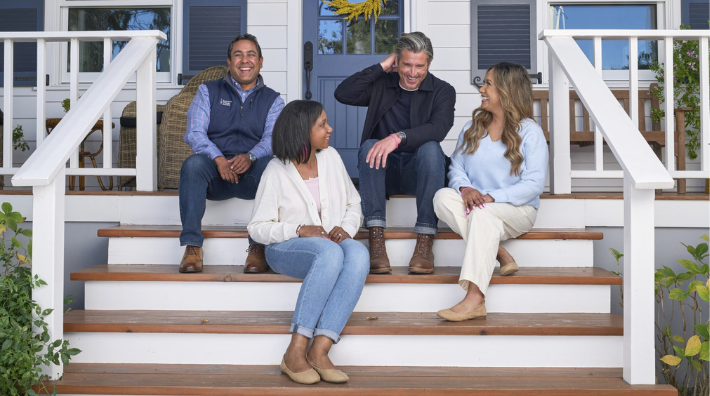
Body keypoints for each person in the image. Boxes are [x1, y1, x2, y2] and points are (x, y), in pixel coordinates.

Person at [248, 100, 368, 385]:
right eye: (322, 125)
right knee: (329, 253)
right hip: (287, 250)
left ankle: (320, 350)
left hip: (330, 244)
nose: (330, 129)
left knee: (359, 254)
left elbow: (354, 202)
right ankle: (295, 350)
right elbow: (257, 228)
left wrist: (346, 228)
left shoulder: (332, 158)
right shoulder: (276, 171)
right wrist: (299, 229)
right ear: (303, 131)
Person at [432, 62, 548, 321]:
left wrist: (493, 197)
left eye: (488, 84)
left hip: (517, 208)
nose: (481, 88)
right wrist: (465, 188)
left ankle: (475, 297)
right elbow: (456, 168)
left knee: (483, 215)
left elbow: (534, 184)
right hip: (477, 203)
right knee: (441, 198)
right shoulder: (473, 128)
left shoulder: (530, 132)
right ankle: (499, 252)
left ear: (507, 91)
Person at [334, 32, 455, 275]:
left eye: (420, 66)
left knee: (432, 148)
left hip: (418, 173)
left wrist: (397, 138)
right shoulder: (382, 84)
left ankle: (424, 241)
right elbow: (343, 93)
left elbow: (439, 128)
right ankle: (376, 239)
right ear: (397, 62)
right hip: (382, 172)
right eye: (406, 64)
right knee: (370, 145)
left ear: (429, 64)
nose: (413, 73)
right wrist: (382, 66)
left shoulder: (443, 90)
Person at [179, 33, 284, 274]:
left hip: (252, 177)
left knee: (273, 165)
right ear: (229, 61)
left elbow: (272, 139)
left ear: (260, 61)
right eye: (238, 54)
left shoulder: (274, 100)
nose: (244, 60)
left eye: (251, 55)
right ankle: (192, 246)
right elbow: (195, 132)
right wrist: (218, 159)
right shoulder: (207, 91)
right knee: (192, 165)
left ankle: (258, 246)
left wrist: (251, 156)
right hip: (215, 176)